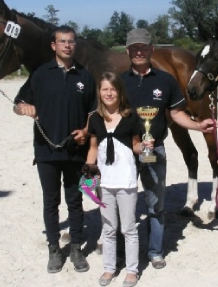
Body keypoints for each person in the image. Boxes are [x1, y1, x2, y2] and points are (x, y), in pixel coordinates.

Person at [121, 28, 215, 269]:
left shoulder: (166, 81)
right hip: (126, 153)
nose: (139, 52)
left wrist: (197, 125)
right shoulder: (119, 81)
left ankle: (155, 251)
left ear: (152, 49)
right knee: (125, 204)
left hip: (153, 150)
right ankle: (125, 251)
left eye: (143, 47)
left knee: (155, 203)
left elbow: (176, 113)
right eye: (134, 48)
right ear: (128, 51)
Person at [13, 25, 96, 274]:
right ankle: (53, 248)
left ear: (75, 45)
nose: (67, 45)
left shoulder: (85, 76)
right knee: (51, 202)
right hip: (46, 151)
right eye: (62, 41)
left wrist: (86, 130)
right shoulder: (39, 74)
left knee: (75, 200)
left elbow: (94, 112)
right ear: (54, 45)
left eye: (71, 41)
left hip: (75, 151)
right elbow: (18, 102)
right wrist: (22, 108)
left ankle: (76, 248)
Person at [85, 72, 152, 287]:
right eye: (105, 89)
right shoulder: (94, 118)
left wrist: (144, 147)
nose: (109, 93)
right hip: (105, 182)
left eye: (113, 89)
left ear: (120, 92)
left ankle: (132, 270)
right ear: (100, 92)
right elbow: (93, 148)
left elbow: (134, 145)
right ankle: (109, 268)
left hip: (126, 180)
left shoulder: (131, 117)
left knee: (129, 228)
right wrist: (88, 176)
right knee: (109, 228)